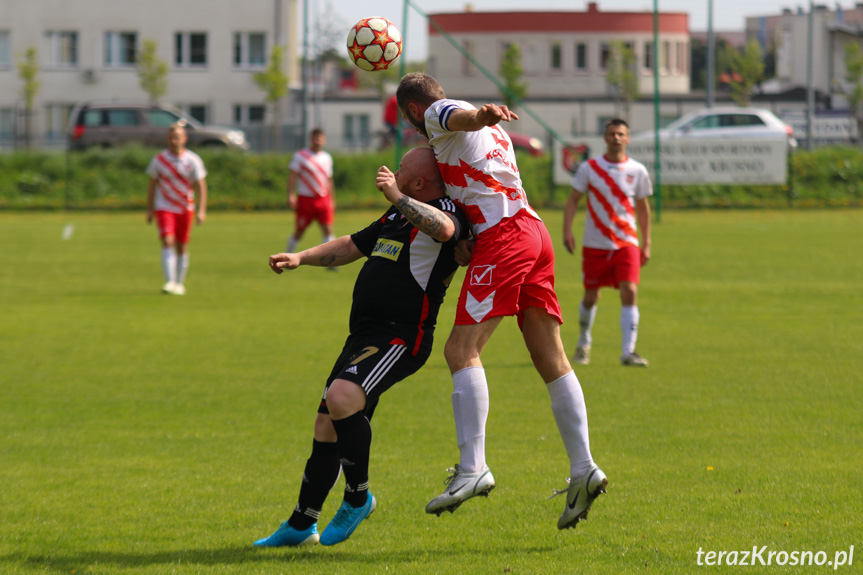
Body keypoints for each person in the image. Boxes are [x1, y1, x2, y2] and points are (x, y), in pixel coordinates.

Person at [396, 72, 606, 530]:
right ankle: (584, 467)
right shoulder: (495, 135)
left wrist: (480, 113)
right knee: (550, 356)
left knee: (460, 350)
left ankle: (473, 469)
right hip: (534, 230)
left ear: (413, 111)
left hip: (506, 237)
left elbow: (458, 116)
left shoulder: (438, 115)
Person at [255, 147, 469, 548]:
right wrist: (301, 257)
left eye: (402, 169)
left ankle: (358, 497)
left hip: (402, 336)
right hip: (364, 335)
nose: (394, 171)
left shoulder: (442, 207)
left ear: (419, 182)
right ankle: (303, 523)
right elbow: (354, 245)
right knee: (326, 426)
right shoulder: (394, 215)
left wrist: (398, 197)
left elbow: (444, 231)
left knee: (341, 398)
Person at [563, 118, 653, 367]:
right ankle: (583, 342)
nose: (616, 138)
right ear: (605, 138)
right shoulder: (589, 168)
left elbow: (643, 209)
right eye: (612, 133)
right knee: (591, 297)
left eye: (621, 134)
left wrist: (646, 243)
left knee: (630, 290)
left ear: (628, 138)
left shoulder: (637, 170)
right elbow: (573, 200)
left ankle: (628, 351)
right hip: (595, 243)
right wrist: (567, 231)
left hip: (627, 243)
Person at [146, 122, 208, 295]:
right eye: (171, 138)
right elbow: (152, 185)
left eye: (177, 137)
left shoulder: (193, 160)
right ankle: (169, 282)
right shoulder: (159, 160)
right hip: (164, 207)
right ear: (167, 139)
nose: (174, 141)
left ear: (184, 139)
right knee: (167, 241)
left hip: (185, 207)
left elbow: (201, 186)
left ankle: (179, 283)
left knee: (181, 246)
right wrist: (150, 209)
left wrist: (201, 210)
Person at [286, 128, 335, 254]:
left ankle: (331, 261)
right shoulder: (301, 156)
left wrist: (331, 199)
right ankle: (288, 255)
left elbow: (329, 179)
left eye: (319, 138)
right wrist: (291, 195)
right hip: (305, 199)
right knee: (300, 231)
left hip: (323, 198)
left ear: (324, 140)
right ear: (310, 139)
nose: (317, 141)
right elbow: (292, 175)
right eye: (315, 138)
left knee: (328, 229)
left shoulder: (327, 158)